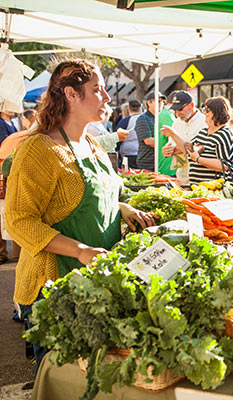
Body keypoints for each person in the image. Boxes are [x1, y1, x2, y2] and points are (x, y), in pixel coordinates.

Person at [4, 59, 156, 371]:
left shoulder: (90, 144)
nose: (108, 98)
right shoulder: (38, 149)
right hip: (54, 288)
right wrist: (80, 250)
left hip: (97, 283)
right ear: (72, 94)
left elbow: (104, 190)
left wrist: (123, 208)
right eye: (98, 90)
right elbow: (19, 220)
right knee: (62, 381)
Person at [172, 97, 233, 185]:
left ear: (216, 112)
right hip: (198, 189)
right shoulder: (203, 132)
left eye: (207, 110)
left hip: (218, 191)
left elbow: (224, 165)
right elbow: (188, 148)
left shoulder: (225, 134)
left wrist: (198, 159)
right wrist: (173, 140)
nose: (204, 113)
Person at [160, 91, 207, 186]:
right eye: (175, 109)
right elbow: (173, 146)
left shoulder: (204, 122)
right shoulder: (176, 123)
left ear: (192, 105)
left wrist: (178, 146)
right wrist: (168, 150)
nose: (178, 112)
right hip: (181, 176)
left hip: (200, 178)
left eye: (180, 109)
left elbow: (195, 150)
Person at [135, 91, 164, 171]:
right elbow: (148, 141)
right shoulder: (143, 119)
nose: (161, 103)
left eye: (162, 101)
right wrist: (166, 144)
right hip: (147, 163)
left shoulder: (162, 118)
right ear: (149, 103)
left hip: (161, 161)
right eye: (158, 101)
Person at [157, 92, 177, 177]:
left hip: (165, 164)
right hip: (169, 166)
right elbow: (173, 140)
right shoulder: (168, 115)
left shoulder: (163, 114)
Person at [120, 99, 143, 169]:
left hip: (128, 153)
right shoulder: (145, 119)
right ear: (140, 108)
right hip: (143, 153)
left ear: (128, 108)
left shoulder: (125, 121)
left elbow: (118, 137)